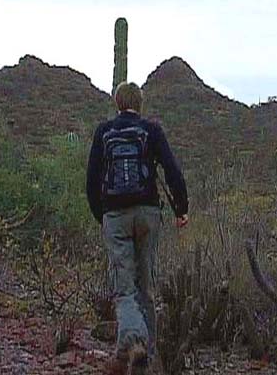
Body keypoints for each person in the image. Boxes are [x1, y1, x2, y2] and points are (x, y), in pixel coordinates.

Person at [86, 82, 189, 374]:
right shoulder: (152, 130)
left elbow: (92, 181)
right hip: (148, 213)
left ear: (117, 102)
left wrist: (102, 216)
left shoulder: (104, 132)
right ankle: (143, 358)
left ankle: (134, 344)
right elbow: (172, 170)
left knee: (124, 289)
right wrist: (182, 208)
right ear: (140, 104)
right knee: (146, 286)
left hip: (115, 214)